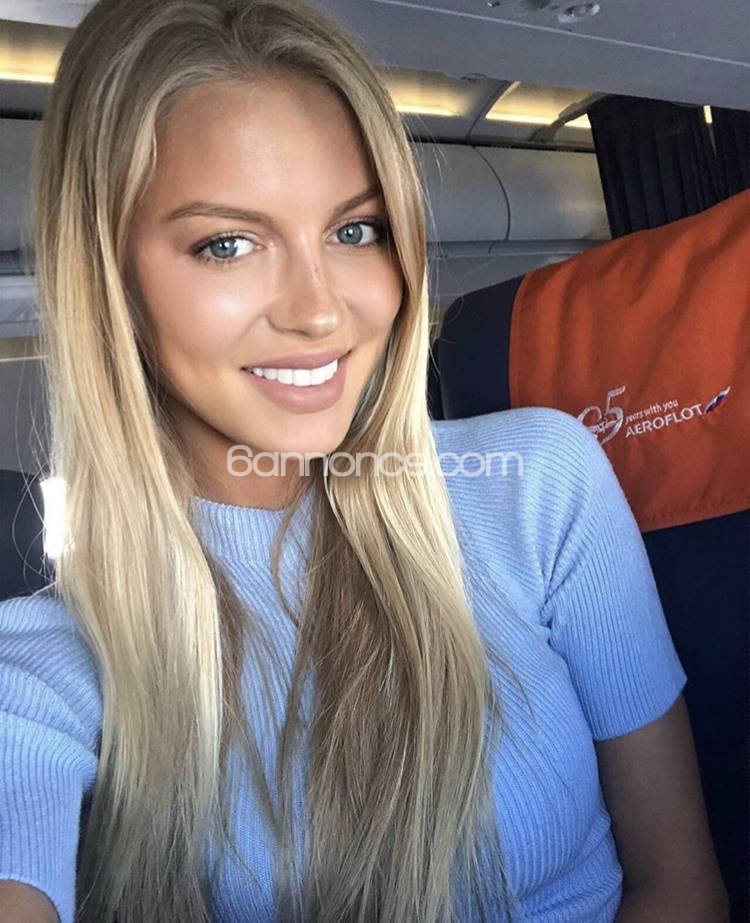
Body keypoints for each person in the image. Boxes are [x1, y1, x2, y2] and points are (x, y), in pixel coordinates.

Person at [0, 1, 729, 922]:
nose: (320, 310)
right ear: (111, 280)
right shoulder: (53, 662)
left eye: (355, 230)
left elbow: (678, 884)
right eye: (227, 244)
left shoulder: (541, 483)